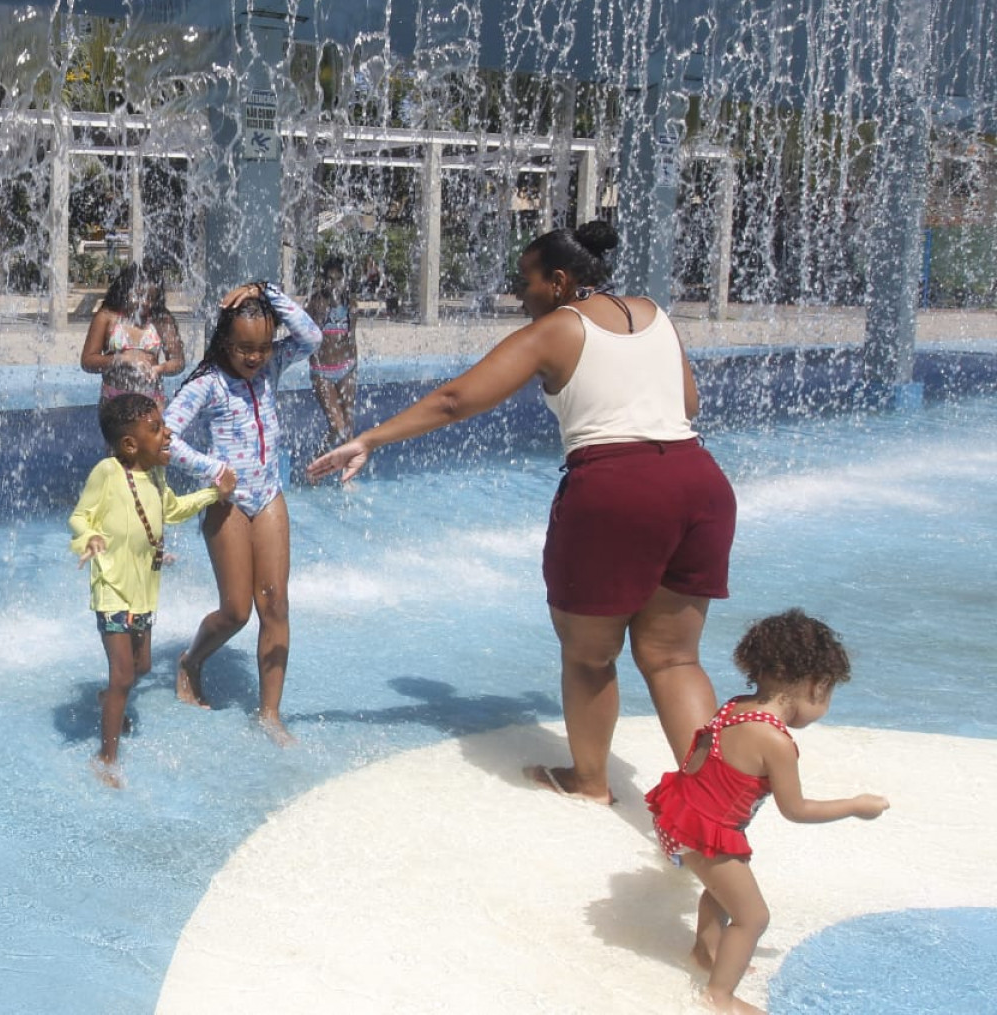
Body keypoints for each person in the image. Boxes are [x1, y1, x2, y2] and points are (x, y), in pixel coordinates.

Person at [307, 221, 735, 800]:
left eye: (524, 282)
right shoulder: (655, 314)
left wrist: (369, 440)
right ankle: (714, 803)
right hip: (700, 483)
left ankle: (589, 782)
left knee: (591, 657)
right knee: (674, 659)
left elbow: (457, 399)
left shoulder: (559, 328)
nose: (518, 295)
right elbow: (688, 404)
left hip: (616, 491)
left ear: (558, 282)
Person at [645, 610, 888, 1013]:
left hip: (681, 816)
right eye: (828, 695)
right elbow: (796, 810)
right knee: (753, 917)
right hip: (707, 833)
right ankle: (719, 996)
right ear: (816, 685)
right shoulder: (775, 741)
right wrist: (855, 806)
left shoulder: (737, 707)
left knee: (721, 892)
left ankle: (706, 952)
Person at [165, 281, 322, 742]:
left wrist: (266, 291)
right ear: (224, 343)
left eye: (262, 348)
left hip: (269, 495)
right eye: (243, 349)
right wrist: (213, 468)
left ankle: (270, 713)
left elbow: (311, 337)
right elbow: (165, 436)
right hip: (228, 502)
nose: (254, 358)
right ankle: (191, 660)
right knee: (236, 612)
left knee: (275, 605)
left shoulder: (271, 370)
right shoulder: (207, 384)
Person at [69, 393, 234, 787]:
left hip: (144, 589)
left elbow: (171, 510)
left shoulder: (157, 476)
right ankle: (106, 758)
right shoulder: (108, 473)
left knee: (140, 667)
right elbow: (80, 515)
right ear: (130, 444)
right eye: (156, 428)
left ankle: (109, 699)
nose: (168, 433)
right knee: (124, 673)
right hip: (112, 586)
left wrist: (213, 493)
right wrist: (89, 537)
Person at [79, 262, 187, 404]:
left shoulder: (161, 320)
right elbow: (87, 361)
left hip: (152, 397)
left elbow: (178, 362)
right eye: (139, 295)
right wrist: (120, 359)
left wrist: (161, 368)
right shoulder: (107, 317)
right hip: (114, 396)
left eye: (151, 298)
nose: (145, 303)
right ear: (125, 291)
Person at [304, 256, 361, 445]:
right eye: (329, 279)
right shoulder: (316, 303)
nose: (334, 283)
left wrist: (354, 368)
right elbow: (305, 334)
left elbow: (351, 339)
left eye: (338, 279)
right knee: (337, 428)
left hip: (347, 369)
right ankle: (314, 470)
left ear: (345, 279)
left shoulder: (351, 305)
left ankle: (348, 473)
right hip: (323, 373)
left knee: (349, 430)